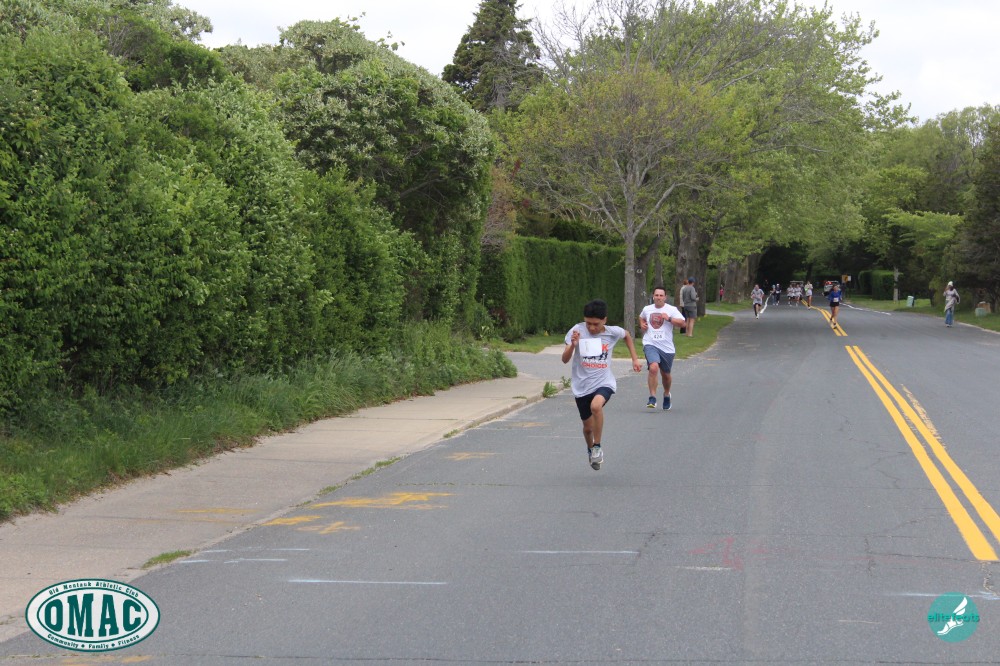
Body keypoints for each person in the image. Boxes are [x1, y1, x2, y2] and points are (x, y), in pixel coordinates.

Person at [562, 299, 642, 470]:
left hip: (603, 382)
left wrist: (635, 359)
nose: (591, 328)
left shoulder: (612, 332)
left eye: (596, 324)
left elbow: (627, 335)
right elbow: (564, 359)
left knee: (596, 406)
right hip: (582, 386)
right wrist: (573, 346)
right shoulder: (577, 331)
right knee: (587, 428)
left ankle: (597, 447)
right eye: (588, 323)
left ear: (604, 320)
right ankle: (590, 449)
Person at [638, 287, 685, 411]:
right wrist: (642, 324)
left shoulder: (671, 309)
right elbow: (641, 317)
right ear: (653, 296)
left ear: (665, 297)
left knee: (666, 375)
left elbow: (682, 323)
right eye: (656, 295)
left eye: (661, 295)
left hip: (666, 348)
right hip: (650, 344)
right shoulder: (647, 309)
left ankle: (666, 394)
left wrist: (669, 318)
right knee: (653, 367)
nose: (658, 297)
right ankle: (652, 397)